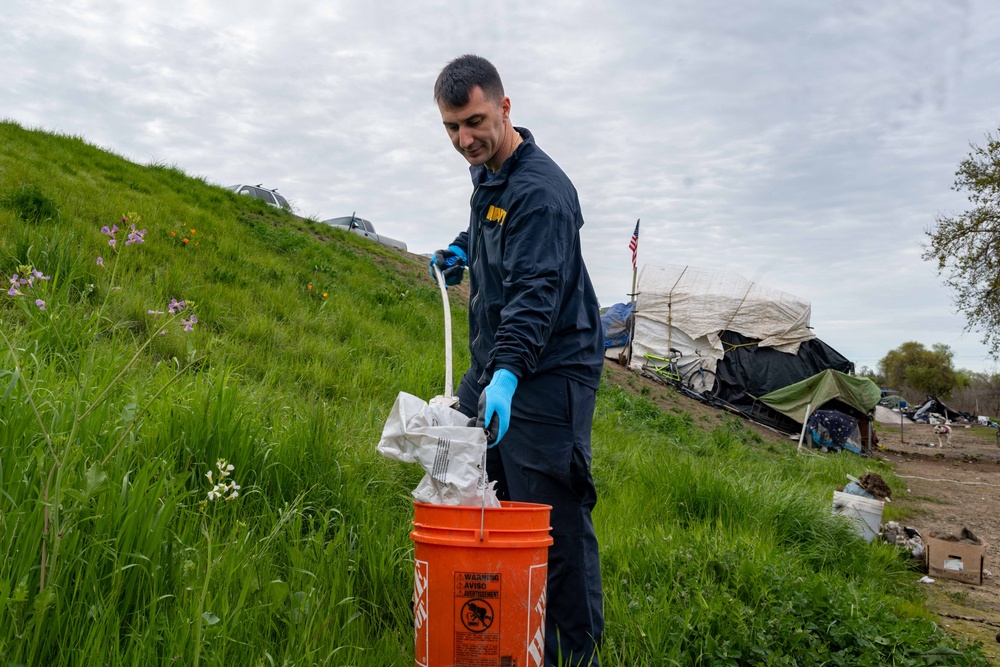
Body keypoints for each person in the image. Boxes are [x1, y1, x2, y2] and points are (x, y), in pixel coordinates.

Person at [430, 54, 605, 666]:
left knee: (549, 517)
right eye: (452, 128)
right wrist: (461, 250)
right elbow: (490, 231)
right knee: (493, 501)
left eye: (475, 121)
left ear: (506, 108)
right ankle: (510, 636)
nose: (464, 139)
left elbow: (536, 295)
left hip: (550, 370)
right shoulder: (490, 172)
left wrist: (505, 376)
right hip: (498, 363)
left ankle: (571, 653)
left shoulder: (543, 193)